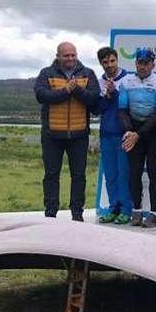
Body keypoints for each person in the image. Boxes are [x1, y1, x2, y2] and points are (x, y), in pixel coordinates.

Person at [34, 42, 100, 220]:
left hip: (79, 135)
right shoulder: (46, 73)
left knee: (78, 175)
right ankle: (50, 213)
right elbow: (41, 95)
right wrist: (65, 91)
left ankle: (77, 214)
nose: (70, 58)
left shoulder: (88, 73)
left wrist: (76, 89)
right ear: (58, 56)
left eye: (73, 55)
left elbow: (94, 98)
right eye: (66, 55)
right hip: (52, 135)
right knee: (51, 175)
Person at [119, 48, 156, 228]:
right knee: (134, 173)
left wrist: (138, 134)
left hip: (153, 132)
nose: (143, 66)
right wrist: (129, 131)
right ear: (136, 64)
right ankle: (137, 211)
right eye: (140, 63)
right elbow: (122, 110)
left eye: (146, 63)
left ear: (152, 64)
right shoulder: (126, 82)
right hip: (133, 130)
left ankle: (153, 214)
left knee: (154, 173)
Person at [95, 47, 133, 224]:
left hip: (123, 133)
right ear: (101, 63)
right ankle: (113, 208)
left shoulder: (128, 79)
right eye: (105, 62)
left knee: (123, 173)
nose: (109, 65)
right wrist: (107, 95)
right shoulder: (99, 81)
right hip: (106, 134)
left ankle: (126, 209)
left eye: (112, 61)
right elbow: (97, 109)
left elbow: (127, 106)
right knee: (110, 175)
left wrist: (115, 93)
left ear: (117, 60)